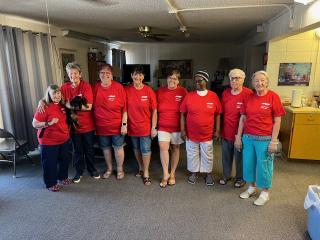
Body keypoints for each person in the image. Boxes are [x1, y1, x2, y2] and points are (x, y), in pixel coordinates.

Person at [234, 70, 285, 206]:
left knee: (264, 166)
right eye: (256, 80)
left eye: (262, 80)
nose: (259, 83)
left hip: (265, 139)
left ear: (267, 82)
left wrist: (274, 141)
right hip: (248, 138)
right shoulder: (249, 97)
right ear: (252, 83)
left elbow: (278, 121)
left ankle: (265, 192)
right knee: (248, 163)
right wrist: (238, 137)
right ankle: (251, 187)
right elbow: (243, 118)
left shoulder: (273, 97)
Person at [180, 70, 222, 186]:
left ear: (206, 81)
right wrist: (183, 130)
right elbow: (182, 113)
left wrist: (218, 130)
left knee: (207, 154)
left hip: (207, 133)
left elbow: (218, 114)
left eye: (200, 80)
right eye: (195, 80)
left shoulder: (213, 96)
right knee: (192, 153)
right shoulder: (189, 96)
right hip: (191, 133)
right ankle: (193, 172)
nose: (197, 82)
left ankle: (208, 174)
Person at [61, 62, 100, 183]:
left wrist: (69, 106)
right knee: (77, 150)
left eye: (75, 73)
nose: (73, 75)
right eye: (71, 73)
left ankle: (92, 169)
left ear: (80, 74)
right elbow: (52, 96)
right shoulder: (64, 87)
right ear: (68, 75)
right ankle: (79, 171)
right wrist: (42, 101)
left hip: (87, 126)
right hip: (73, 126)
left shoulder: (86, 86)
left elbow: (88, 107)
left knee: (89, 149)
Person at [32, 85, 72, 192]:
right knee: (50, 163)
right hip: (48, 141)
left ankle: (62, 177)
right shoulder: (43, 107)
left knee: (64, 160)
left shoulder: (63, 105)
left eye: (58, 93)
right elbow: (35, 124)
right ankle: (51, 183)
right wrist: (48, 123)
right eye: (54, 93)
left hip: (63, 139)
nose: (57, 95)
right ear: (49, 94)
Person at [92, 64, 127, 180]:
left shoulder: (118, 87)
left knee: (118, 149)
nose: (105, 75)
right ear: (99, 75)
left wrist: (124, 125)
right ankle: (109, 168)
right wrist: (44, 100)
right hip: (101, 126)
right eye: (102, 72)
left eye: (108, 73)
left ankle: (120, 169)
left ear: (112, 76)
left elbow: (124, 109)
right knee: (106, 149)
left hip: (116, 125)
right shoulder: (95, 87)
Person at [219, 69, 253, 187]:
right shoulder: (225, 93)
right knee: (226, 156)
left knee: (240, 158)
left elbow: (249, 114)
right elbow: (221, 113)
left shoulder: (249, 93)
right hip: (226, 131)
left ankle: (240, 178)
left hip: (241, 133)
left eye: (237, 78)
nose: (234, 80)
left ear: (243, 79)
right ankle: (226, 175)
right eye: (232, 78)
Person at [125, 65, 157, 186]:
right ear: (131, 76)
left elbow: (154, 110)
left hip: (145, 127)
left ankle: (146, 173)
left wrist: (154, 127)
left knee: (146, 149)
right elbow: (124, 109)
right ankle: (141, 167)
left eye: (140, 74)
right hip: (132, 127)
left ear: (143, 76)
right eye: (135, 74)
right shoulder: (126, 90)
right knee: (136, 149)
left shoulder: (149, 90)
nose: (137, 76)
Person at [156, 69, 188, 188]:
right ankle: (165, 174)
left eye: (175, 78)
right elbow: (155, 109)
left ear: (178, 80)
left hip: (177, 127)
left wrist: (184, 129)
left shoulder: (183, 91)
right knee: (163, 147)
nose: (172, 80)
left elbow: (185, 112)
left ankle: (172, 174)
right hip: (163, 125)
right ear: (166, 79)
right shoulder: (160, 91)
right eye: (170, 78)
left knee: (175, 148)